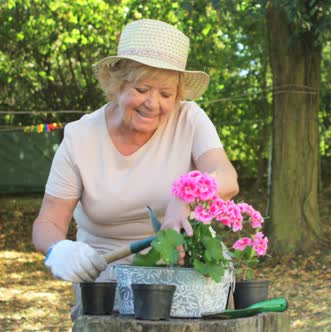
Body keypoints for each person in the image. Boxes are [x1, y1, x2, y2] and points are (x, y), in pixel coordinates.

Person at [32, 19, 239, 319]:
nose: (152, 104)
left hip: (187, 268)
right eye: (142, 89)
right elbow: (47, 223)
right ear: (118, 84)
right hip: (107, 277)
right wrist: (58, 250)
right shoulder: (80, 137)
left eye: (166, 94)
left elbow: (227, 178)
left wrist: (184, 197)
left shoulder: (190, 119)